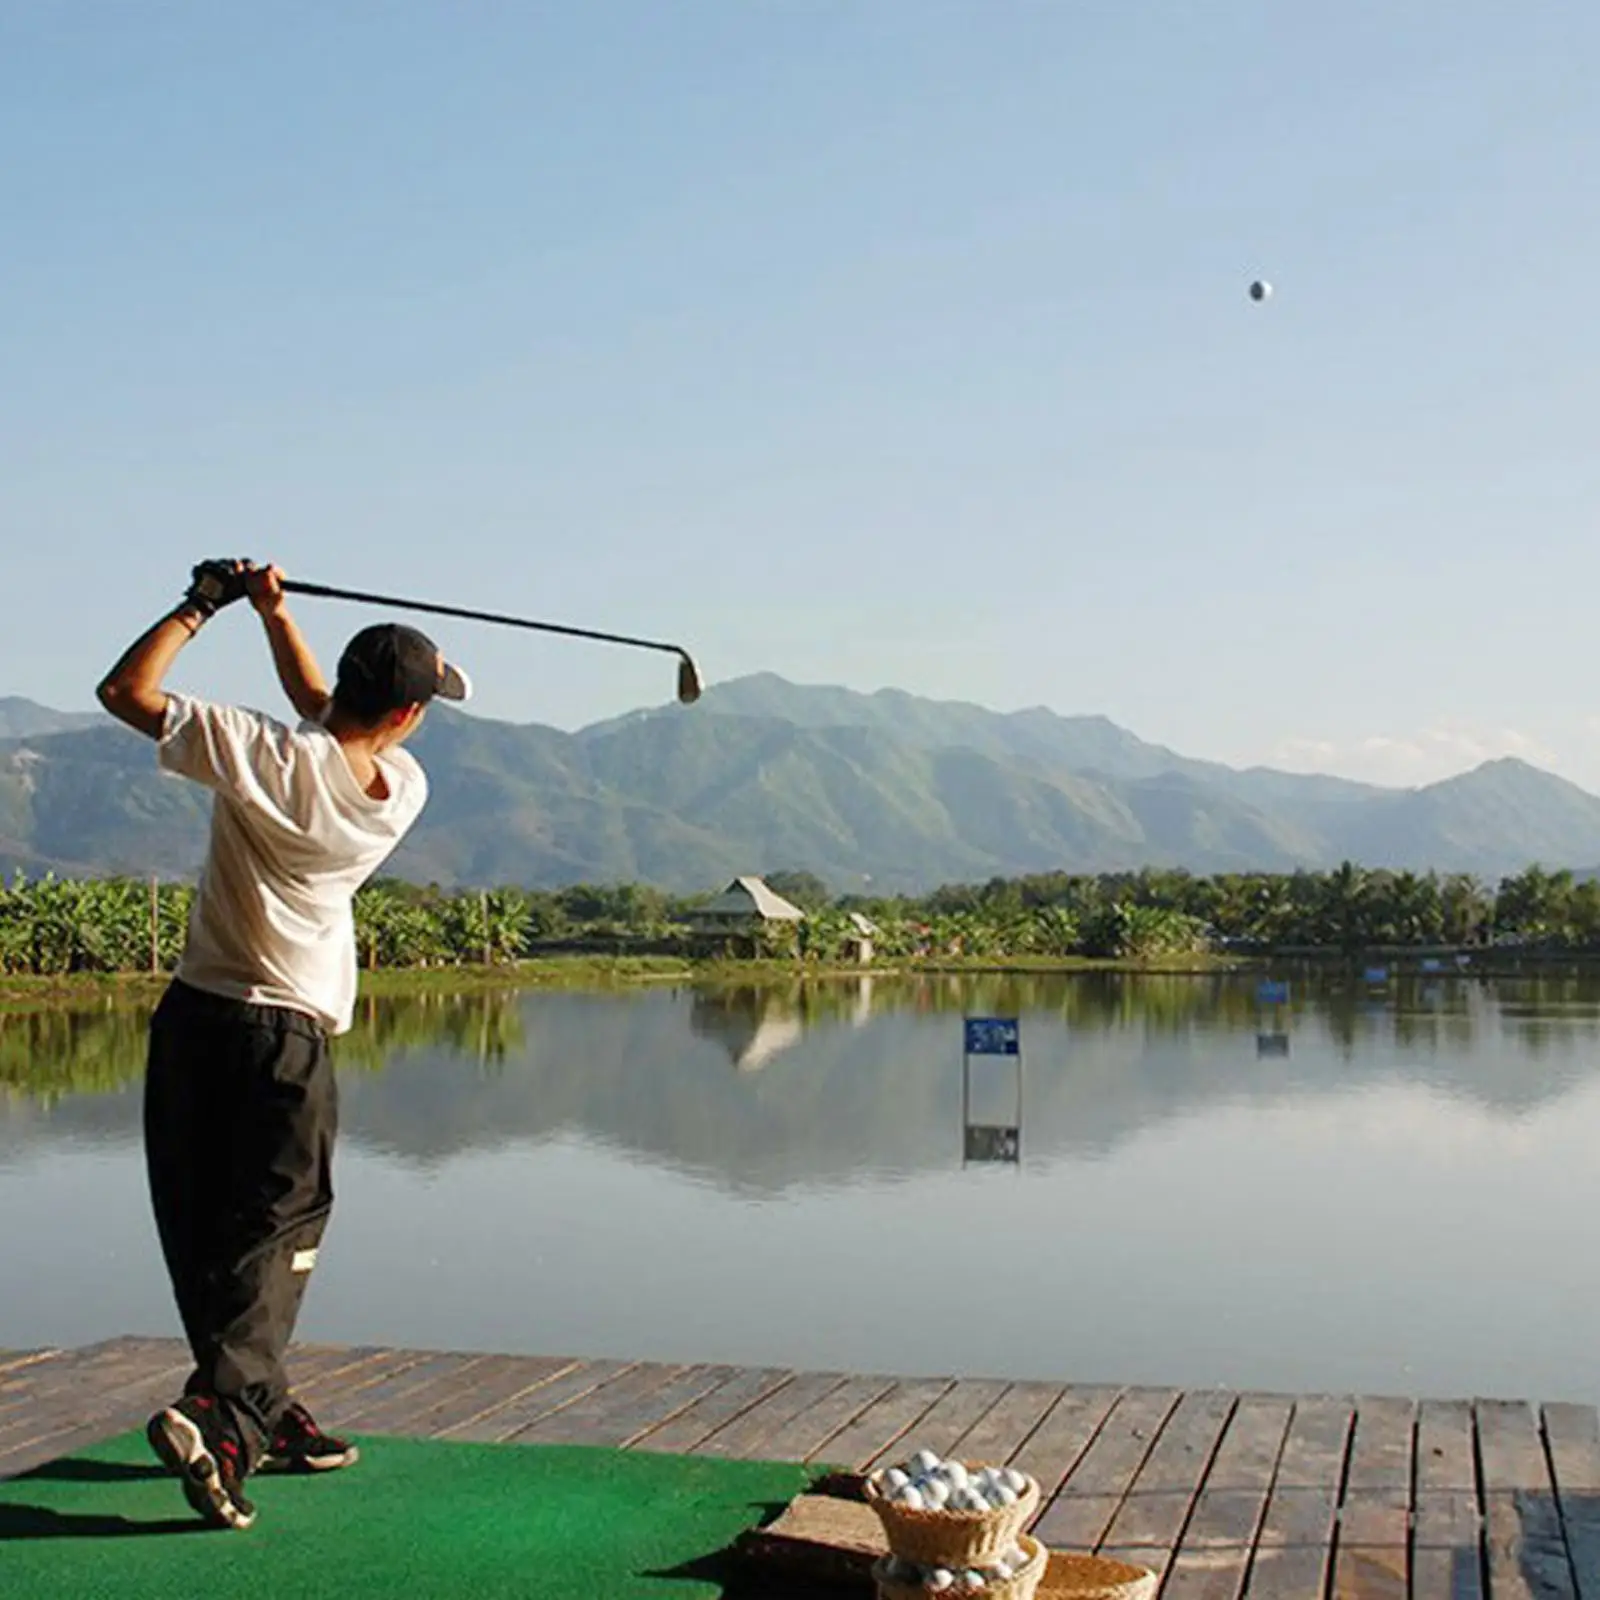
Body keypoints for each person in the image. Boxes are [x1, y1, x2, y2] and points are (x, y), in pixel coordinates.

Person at [95, 558, 470, 1530]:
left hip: (191, 1022)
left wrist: (206, 606)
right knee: (279, 1229)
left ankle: (255, 1403)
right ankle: (226, 1419)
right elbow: (323, 708)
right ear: (405, 717)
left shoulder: (258, 751)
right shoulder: (401, 788)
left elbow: (124, 693)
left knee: (203, 1226)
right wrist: (272, 612)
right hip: (285, 1034)